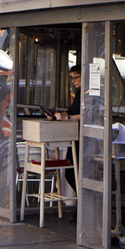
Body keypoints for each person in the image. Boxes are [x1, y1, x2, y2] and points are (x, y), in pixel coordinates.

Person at [47, 66, 81, 196]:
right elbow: (71, 111)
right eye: (72, 78)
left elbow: (88, 115)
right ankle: (81, 199)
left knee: (73, 172)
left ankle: (82, 200)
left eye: (75, 77)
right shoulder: (79, 94)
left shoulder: (89, 95)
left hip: (83, 138)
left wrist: (69, 117)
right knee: (71, 172)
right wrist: (58, 116)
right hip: (76, 136)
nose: (73, 81)